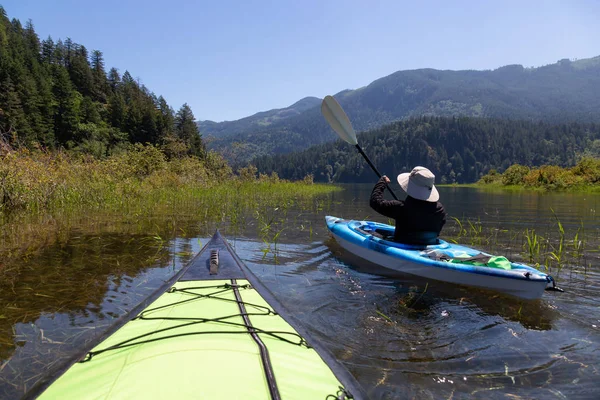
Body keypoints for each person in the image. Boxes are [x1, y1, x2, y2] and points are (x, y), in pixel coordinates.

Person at [370, 166, 447, 245]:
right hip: (429, 246)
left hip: (402, 245)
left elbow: (375, 202)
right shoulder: (440, 211)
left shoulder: (401, 208)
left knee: (372, 234)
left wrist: (382, 182)